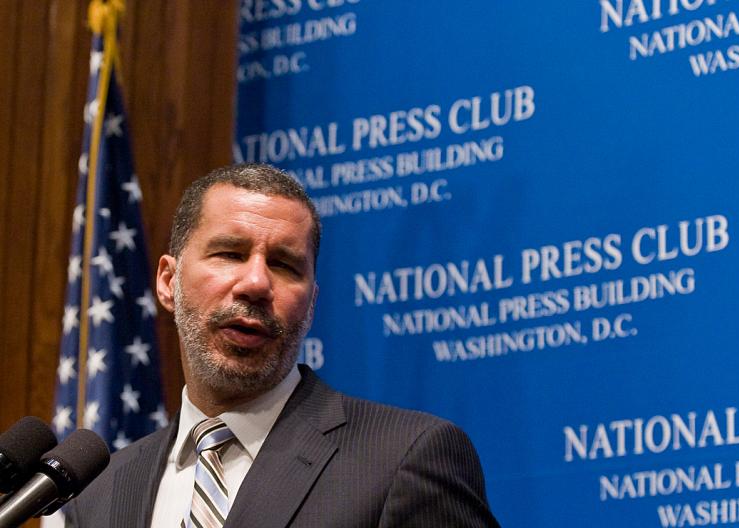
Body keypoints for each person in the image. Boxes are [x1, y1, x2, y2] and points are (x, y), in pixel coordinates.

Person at [65, 163, 501, 527]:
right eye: (230, 254)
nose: (256, 283)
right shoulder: (101, 493)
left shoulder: (403, 458)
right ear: (168, 282)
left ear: (311, 303)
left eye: (284, 264)